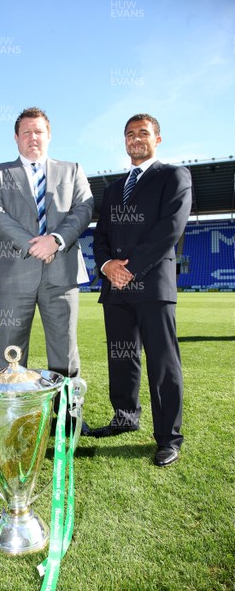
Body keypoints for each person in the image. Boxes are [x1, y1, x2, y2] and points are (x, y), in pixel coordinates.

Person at [0, 106, 94, 433]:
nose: (33, 137)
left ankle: (69, 421)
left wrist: (56, 239)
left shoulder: (73, 170)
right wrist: (33, 243)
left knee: (65, 354)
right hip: (15, 276)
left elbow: (84, 208)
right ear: (16, 137)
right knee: (11, 353)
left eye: (38, 131)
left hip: (62, 275)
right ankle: (11, 421)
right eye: (26, 132)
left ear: (49, 134)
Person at [92, 113, 192, 467]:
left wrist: (131, 268)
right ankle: (124, 417)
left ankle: (169, 437)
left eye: (143, 133)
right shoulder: (115, 188)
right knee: (122, 356)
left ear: (157, 139)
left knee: (163, 363)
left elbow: (170, 229)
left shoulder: (173, 176)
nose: (136, 138)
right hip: (116, 287)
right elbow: (100, 233)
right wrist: (107, 267)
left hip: (152, 285)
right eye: (130, 134)